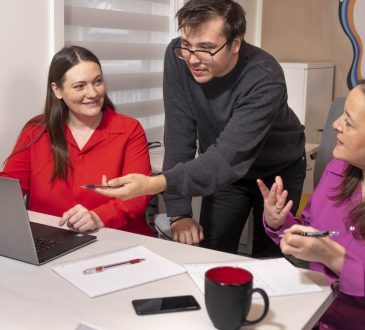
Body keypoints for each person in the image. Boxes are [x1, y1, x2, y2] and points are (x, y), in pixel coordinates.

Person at [96, 0, 306, 256]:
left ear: (235, 43)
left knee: (270, 258)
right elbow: (179, 133)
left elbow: (228, 157)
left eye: (206, 48)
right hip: (225, 174)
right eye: (187, 45)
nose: (193, 59)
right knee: (211, 254)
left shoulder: (264, 77)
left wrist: (153, 184)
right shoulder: (179, 57)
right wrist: (178, 213)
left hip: (277, 170)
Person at [0, 45, 154, 237]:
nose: (92, 93)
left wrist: (98, 217)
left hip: (116, 240)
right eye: (80, 86)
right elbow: (7, 192)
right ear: (57, 90)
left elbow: (138, 196)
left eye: (97, 82)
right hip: (50, 239)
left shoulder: (129, 129)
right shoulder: (35, 131)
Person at [257, 82, 365, 329]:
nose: (336, 124)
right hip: (314, 316)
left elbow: (325, 248)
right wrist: (280, 222)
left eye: (349, 121)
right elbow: (316, 232)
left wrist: (332, 256)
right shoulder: (337, 169)